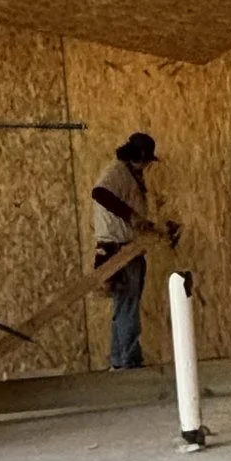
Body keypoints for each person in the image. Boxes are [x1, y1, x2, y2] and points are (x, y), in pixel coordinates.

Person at [90, 130, 175, 370]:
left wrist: (149, 226)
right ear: (139, 156)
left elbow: (132, 213)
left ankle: (119, 359)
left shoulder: (128, 175)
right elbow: (99, 193)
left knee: (123, 306)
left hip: (124, 248)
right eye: (146, 160)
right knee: (127, 306)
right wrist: (131, 216)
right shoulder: (117, 172)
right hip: (120, 251)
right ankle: (128, 361)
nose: (147, 166)